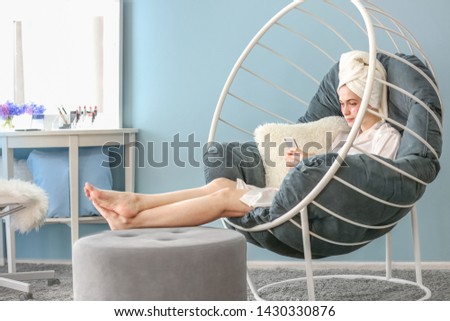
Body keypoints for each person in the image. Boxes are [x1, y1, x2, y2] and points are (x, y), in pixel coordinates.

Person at [85, 50, 401, 230]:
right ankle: (136, 202)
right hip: (299, 193)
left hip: (321, 207)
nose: (346, 111)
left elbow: (365, 179)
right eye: (343, 103)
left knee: (224, 201)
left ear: (372, 98)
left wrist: (314, 166)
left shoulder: (386, 137)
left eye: (353, 103)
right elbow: (328, 168)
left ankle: (132, 223)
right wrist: (304, 161)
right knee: (221, 186)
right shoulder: (345, 135)